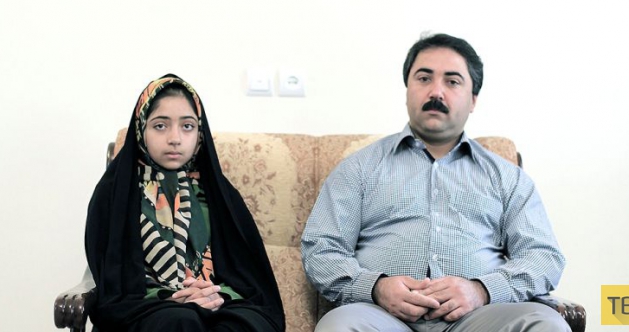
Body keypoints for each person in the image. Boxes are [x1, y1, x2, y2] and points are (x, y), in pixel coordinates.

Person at [301, 33, 570, 332]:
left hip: (480, 318)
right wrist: (375, 288)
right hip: (380, 317)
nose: (436, 92)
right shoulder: (359, 168)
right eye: (424, 78)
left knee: (545, 324)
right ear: (407, 89)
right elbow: (322, 248)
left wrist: (482, 290)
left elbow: (543, 256)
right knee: (340, 326)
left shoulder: (507, 177)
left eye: (452, 81)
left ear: (473, 99)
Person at [85, 74, 285, 332]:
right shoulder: (115, 192)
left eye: (187, 126)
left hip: (220, 299)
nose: (175, 138)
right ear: (141, 128)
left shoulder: (219, 192)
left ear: (199, 133)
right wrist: (173, 297)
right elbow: (112, 278)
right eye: (160, 126)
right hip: (144, 304)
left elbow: (248, 276)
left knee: (244, 325)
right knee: (181, 321)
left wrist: (213, 294)